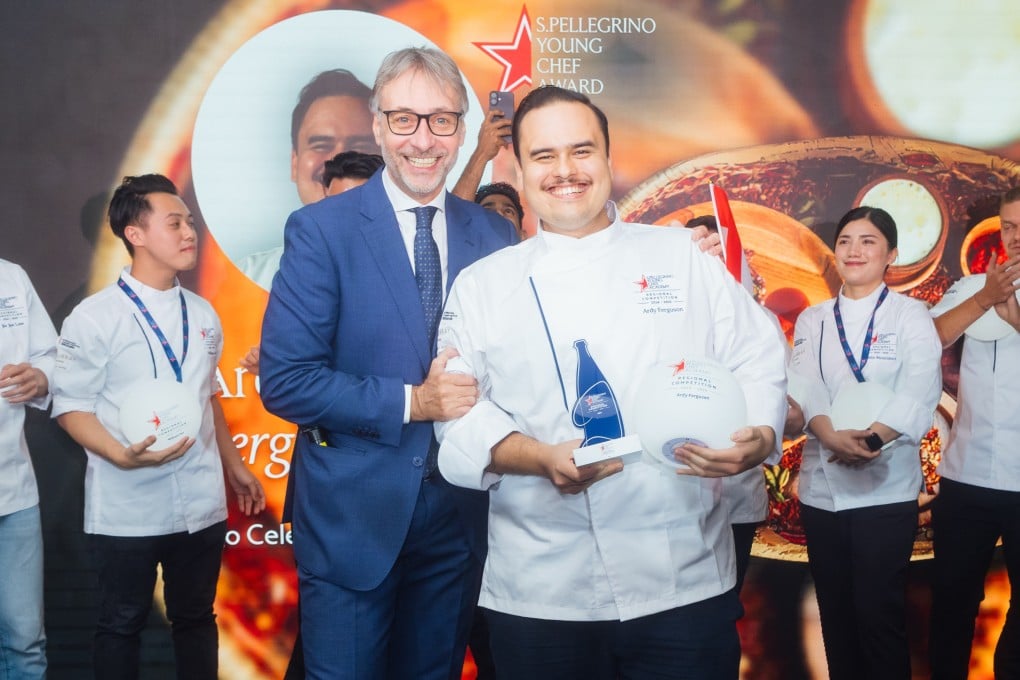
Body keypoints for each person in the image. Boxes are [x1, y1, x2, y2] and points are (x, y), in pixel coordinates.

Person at [435, 85, 787, 679]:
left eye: (582, 151)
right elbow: (455, 409)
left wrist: (756, 433)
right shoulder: (482, 284)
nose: (566, 171)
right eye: (544, 156)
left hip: (682, 578)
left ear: (608, 158)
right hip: (541, 587)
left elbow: (756, 355)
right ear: (518, 169)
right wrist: (537, 455)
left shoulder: (681, 257)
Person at [257, 47, 517, 680]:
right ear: (377, 126)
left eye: (442, 120)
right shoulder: (322, 230)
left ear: (463, 130)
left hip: (461, 519)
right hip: (354, 517)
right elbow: (286, 380)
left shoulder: (496, 237)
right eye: (404, 119)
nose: (423, 140)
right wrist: (413, 402)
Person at [51, 174, 266, 680]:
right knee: (120, 625)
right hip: (126, 504)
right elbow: (70, 406)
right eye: (175, 223)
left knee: (196, 620)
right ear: (136, 234)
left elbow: (206, 396)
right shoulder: (94, 316)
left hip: (201, 502)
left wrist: (234, 466)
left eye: (190, 221)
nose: (190, 231)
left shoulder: (204, 312)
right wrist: (120, 454)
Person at [789, 206, 942, 680]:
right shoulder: (814, 319)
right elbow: (803, 384)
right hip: (822, 488)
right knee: (835, 618)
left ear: (891, 254)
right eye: (846, 240)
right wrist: (831, 435)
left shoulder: (911, 315)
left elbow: (920, 385)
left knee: (879, 616)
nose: (855, 250)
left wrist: (873, 438)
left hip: (886, 486)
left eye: (869, 241)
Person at [928, 187, 1020, 680]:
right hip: (966, 478)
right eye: (1008, 227)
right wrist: (987, 298)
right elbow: (927, 339)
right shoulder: (970, 286)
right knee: (953, 602)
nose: (1016, 237)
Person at [239, 150, 384, 377]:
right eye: (334, 205)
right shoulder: (283, 269)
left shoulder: (409, 266)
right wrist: (280, 363)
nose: (343, 217)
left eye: (356, 207)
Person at [240, 69, 380, 289]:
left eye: (360, 146)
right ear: (294, 163)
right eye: (321, 145)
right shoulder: (245, 278)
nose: (338, 160)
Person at [0, 259, 56, 680]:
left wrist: (40, 377)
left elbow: (49, 356)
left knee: (25, 640)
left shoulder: (11, 277)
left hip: (14, 489)